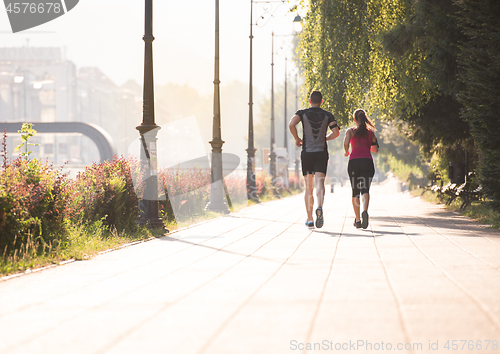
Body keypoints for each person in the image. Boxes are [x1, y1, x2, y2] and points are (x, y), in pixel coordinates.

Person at [289, 90, 340, 228]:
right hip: (321, 152)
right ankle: (320, 206)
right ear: (321, 102)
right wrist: (325, 138)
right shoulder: (327, 115)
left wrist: (297, 138)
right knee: (320, 183)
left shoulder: (302, 113)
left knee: (308, 187)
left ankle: (310, 219)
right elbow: (336, 132)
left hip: (307, 152)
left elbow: (291, 124)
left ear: (310, 100)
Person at [343, 109, 379, 229]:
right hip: (367, 162)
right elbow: (375, 149)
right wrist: (367, 145)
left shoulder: (350, 131)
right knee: (365, 190)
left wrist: (346, 150)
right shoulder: (370, 133)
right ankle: (365, 211)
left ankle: (358, 220)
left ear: (354, 120)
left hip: (354, 162)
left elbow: (346, 143)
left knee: (355, 191)